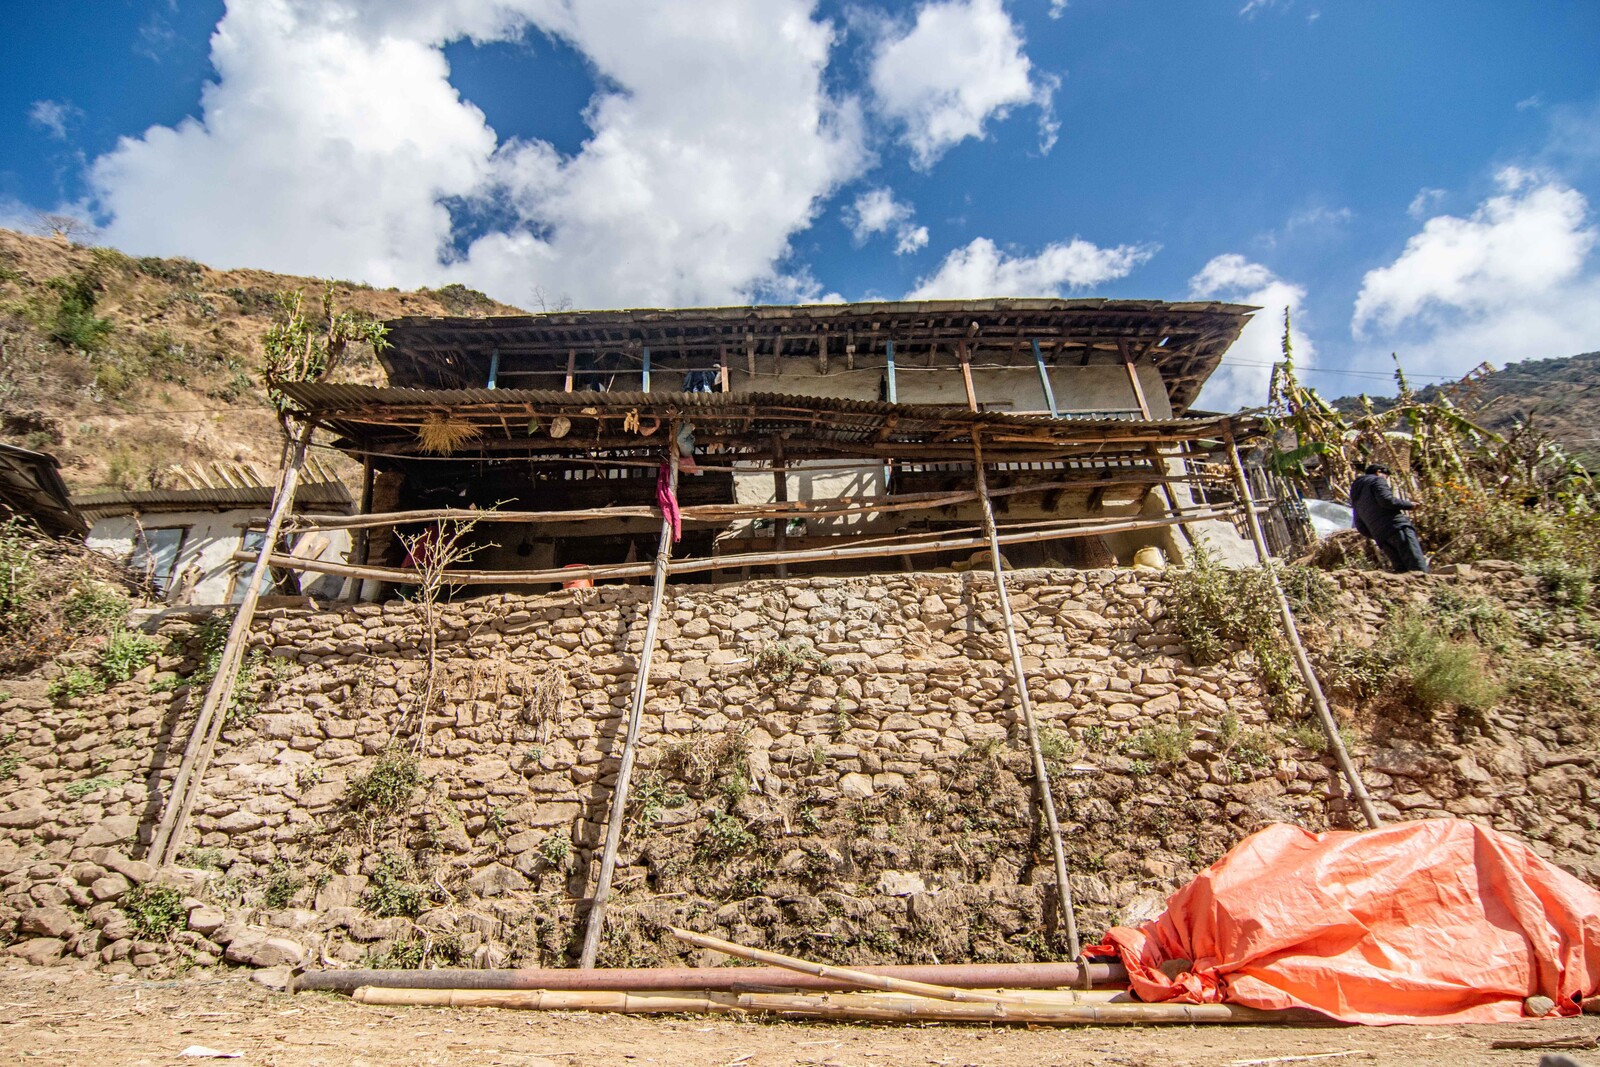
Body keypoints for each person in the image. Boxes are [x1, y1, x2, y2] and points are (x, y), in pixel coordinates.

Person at [1349, 463, 1428, 573]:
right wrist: (1410, 505)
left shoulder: (1356, 495)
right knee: (1417, 567)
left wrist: (1377, 533)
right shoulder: (1376, 480)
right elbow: (1386, 501)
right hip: (1397, 527)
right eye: (1386, 476)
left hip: (1382, 538)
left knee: (1403, 572)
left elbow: (1360, 526)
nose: (1386, 479)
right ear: (1379, 472)